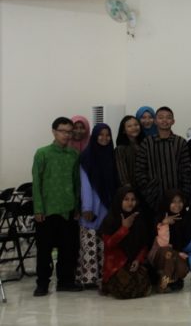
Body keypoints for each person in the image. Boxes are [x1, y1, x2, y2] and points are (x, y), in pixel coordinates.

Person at [32, 117, 82, 296]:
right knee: (44, 250)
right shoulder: (42, 153)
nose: (66, 135)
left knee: (68, 248)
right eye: (62, 131)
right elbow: (36, 183)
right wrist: (38, 208)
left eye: (69, 132)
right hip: (47, 210)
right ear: (54, 131)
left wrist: (77, 207)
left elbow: (77, 183)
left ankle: (65, 281)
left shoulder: (74, 154)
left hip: (68, 209)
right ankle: (42, 284)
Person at [77, 123, 118, 288]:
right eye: (101, 134)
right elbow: (85, 184)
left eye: (108, 135)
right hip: (91, 208)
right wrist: (86, 207)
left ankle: (104, 275)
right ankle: (88, 278)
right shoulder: (87, 157)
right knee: (89, 243)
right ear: (94, 136)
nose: (104, 138)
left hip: (107, 208)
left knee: (104, 244)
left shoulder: (111, 155)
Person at [135, 107, 191, 212]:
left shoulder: (180, 142)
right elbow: (140, 171)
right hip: (153, 198)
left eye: (168, 117)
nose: (164, 120)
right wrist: (148, 192)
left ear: (173, 121)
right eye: (161, 117)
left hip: (177, 197)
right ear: (155, 121)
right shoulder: (147, 143)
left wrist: (184, 195)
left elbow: (186, 171)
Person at [100, 186, 152, 299]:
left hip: (133, 262)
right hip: (116, 263)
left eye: (133, 199)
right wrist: (124, 228)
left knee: (144, 286)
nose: (130, 203)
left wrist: (138, 260)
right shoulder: (111, 219)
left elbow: (144, 244)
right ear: (119, 200)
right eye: (126, 199)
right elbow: (109, 245)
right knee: (124, 288)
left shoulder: (139, 218)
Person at [150, 190, 190, 293]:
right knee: (168, 254)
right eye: (173, 202)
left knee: (182, 269)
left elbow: (186, 242)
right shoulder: (160, 216)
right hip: (160, 253)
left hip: (177, 253)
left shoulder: (186, 217)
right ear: (167, 203)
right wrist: (164, 223)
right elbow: (157, 240)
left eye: (180, 201)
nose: (177, 205)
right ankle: (163, 285)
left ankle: (171, 279)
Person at [114, 115, 143, 188]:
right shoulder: (120, 149)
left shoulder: (144, 145)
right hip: (130, 190)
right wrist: (128, 189)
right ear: (124, 130)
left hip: (144, 188)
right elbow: (122, 174)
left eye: (136, 125)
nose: (134, 128)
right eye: (129, 126)